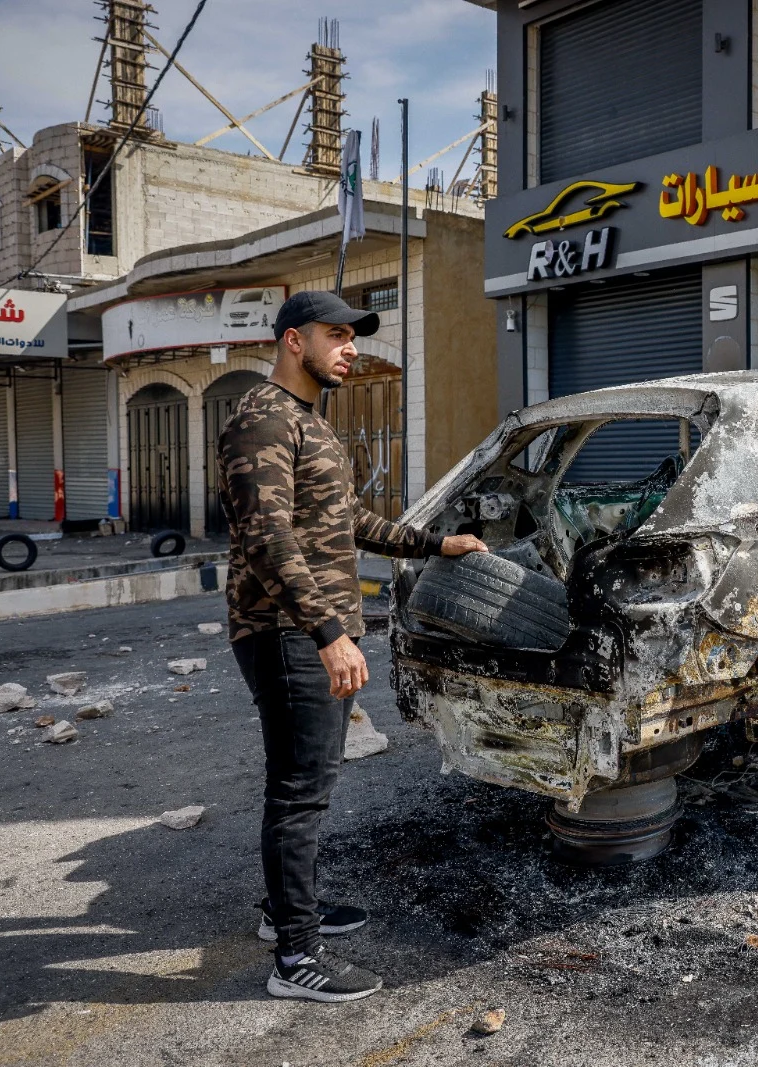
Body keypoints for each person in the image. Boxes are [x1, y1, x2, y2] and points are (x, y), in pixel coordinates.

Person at [217, 291, 487, 1002]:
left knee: (305, 784)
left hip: (302, 632)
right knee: (300, 794)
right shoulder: (262, 419)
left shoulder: (307, 422)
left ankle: (287, 912)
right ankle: (296, 960)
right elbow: (266, 540)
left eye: (353, 336)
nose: (351, 347)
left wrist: (437, 544)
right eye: (336, 335)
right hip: (287, 634)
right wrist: (329, 633)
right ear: (290, 341)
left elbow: (350, 520)